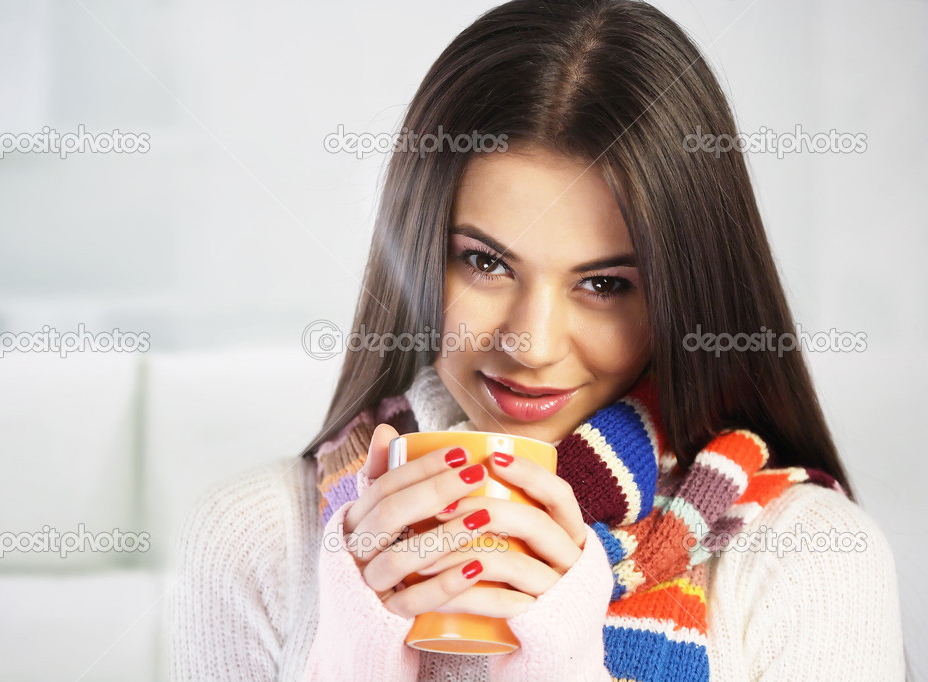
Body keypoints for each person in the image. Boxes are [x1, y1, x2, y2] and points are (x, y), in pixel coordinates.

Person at [168, 1, 905, 679]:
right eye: (485, 262)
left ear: (684, 292)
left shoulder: (807, 557)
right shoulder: (259, 537)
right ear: (417, 254)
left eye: (606, 283)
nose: (531, 342)